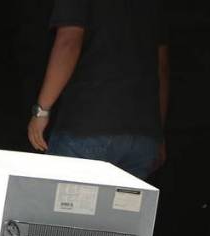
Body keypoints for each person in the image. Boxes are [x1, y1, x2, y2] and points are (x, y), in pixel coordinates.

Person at [27, 0, 170, 179]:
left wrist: (42, 110)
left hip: (87, 126)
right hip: (142, 137)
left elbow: (68, 42)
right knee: (121, 206)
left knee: (60, 205)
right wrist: (158, 133)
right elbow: (161, 68)